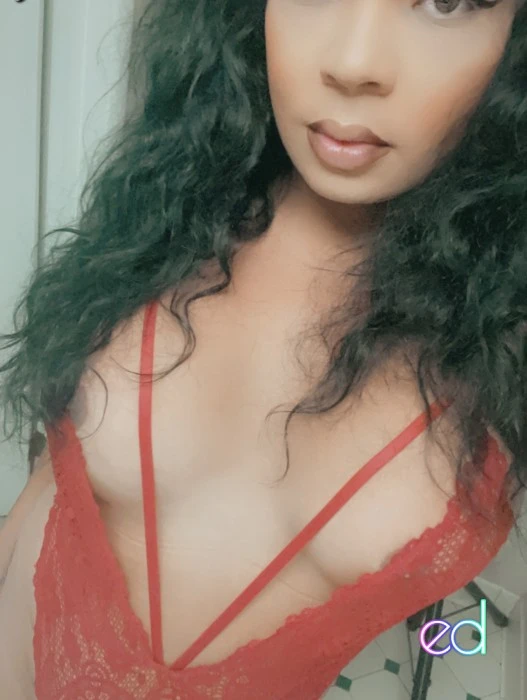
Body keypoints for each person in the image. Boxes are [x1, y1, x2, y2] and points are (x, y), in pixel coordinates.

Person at [1, 0, 526, 697]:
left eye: (445, 2)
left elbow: (479, 636)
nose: (352, 63)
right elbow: (48, 498)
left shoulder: (501, 360)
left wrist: (456, 639)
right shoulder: (162, 222)